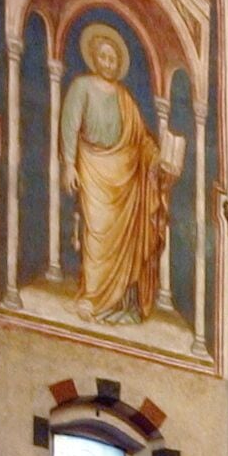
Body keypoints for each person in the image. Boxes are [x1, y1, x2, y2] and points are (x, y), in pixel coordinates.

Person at [59, 24, 178, 322]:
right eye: (104, 56)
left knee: (123, 237)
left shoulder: (125, 98)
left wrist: (160, 159)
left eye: (113, 59)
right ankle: (91, 297)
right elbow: (70, 125)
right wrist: (69, 164)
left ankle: (119, 298)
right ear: (94, 58)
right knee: (96, 233)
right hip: (92, 165)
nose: (109, 63)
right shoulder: (82, 87)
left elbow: (141, 139)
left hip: (125, 172)